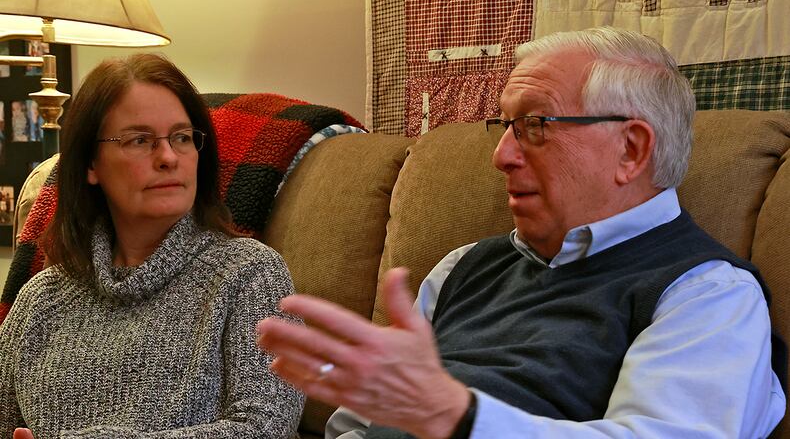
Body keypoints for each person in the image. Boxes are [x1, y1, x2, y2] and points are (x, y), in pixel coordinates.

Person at [255, 26, 786, 438]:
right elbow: (356, 425)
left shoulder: (706, 293)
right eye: (505, 125)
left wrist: (453, 415)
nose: (501, 155)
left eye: (535, 125)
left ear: (631, 149)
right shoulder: (461, 266)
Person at [0, 53, 304, 438]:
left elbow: (266, 428)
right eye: (140, 140)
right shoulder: (41, 298)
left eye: (182, 137)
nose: (168, 157)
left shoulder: (251, 275)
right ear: (91, 164)